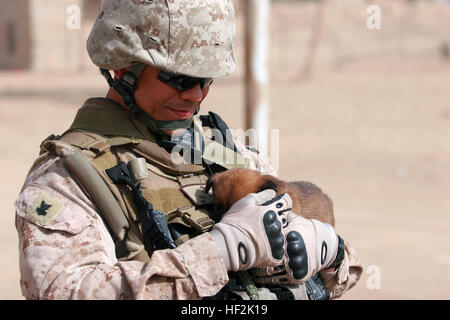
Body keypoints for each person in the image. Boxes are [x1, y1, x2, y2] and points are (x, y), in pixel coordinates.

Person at [14, 0, 362, 300]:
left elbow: (341, 275)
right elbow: (65, 291)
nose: (196, 94)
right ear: (122, 66)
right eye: (179, 78)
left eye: (206, 79)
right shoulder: (66, 179)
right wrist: (218, 252)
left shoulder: (224, 152)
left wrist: (329, 254)